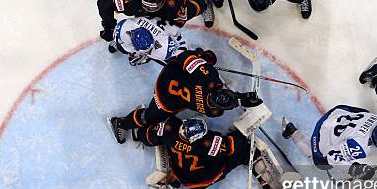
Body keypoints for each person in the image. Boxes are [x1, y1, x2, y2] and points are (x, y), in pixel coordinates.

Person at [108, 48, 262, 144]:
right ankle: (120, 122)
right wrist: (240, 99)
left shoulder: (209, 76)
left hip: (170, 79)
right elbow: (225, 102)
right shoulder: (214, 112)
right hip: (166, 99)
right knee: (150, 117)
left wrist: (198, 57)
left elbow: (183, 56)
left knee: (208, 57)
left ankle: (124, 123)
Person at [282, 105, 377, 180]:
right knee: (321, 161)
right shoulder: (360, 146)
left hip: (338, 112)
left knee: (365, 111)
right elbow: (332, 156)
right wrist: (354, 169)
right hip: (324, 129)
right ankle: (293, 132)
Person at [128, 116, 250, 189]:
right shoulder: (206, 145)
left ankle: (176, 180)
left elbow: (149, 137)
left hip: (180, 171)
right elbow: (233, 144)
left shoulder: (170, 130)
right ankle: (246, 158)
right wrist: (243, 133)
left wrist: (139, 134)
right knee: (234, 157)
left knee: (181, 159)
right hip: (199, 182)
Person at [97, 0, 214, 44]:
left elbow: (177, 26)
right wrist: (109, 26)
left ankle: (204, 4)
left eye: (152, 8)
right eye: (146, 7)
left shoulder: (175, 4)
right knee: (123, 8)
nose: (149, 10)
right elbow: (103, 4)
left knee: (189, 12)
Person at [109, 16, 187, 65]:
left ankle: (144, 56)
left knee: (172, 62)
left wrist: (181, 56)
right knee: (123, 48)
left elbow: (181, 42)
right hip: (149, 20)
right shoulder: (124, 27)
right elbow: (117, 36)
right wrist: (118, 41)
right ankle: (139, 54)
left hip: (166, 28)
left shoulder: (165, 42)